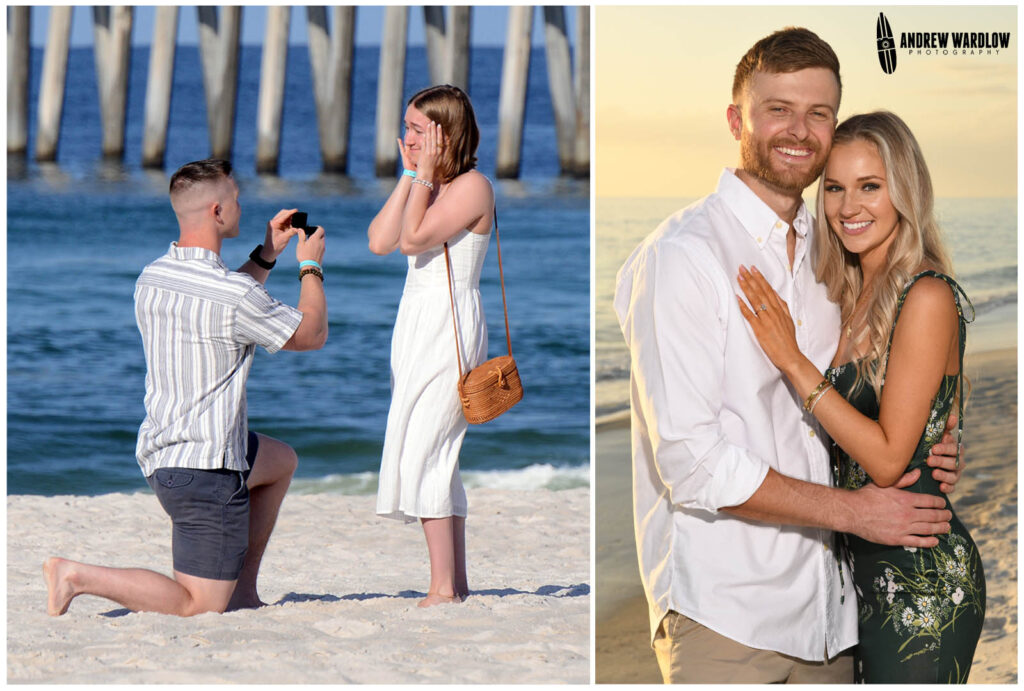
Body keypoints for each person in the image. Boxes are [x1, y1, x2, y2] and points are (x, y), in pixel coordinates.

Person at [613, 28, 966, 683]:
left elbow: (880, 390)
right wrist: (857, 511)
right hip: (729, 616)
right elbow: (692, 463)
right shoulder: (684, 257)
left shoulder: (832, 258)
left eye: (819, 113)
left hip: (836, 617)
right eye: (778, 109)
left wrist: (929, 440)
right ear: (735, 120)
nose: (799, 130)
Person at [736, 111, 985, 683]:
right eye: (835, 188)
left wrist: (794, 362)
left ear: (905, 190)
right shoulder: (849, 294)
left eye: (870, 186)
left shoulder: (924, 295)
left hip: (923, 578)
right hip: (859, 575)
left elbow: (888, 457)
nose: (849, 207)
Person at [43, 159, 328, 617]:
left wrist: (267, 254)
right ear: (218, 212)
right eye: (236, 199)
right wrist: (310, 266)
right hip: (206, 474)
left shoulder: (152, 277)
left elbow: (223, 304)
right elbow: (310, 335)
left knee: (279, 461)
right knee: (199, 604)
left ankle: (243, 590)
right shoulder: (233, 295)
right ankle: (77, 575)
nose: (241, 205)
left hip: (165, 455)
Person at [367, 85, 494, 607]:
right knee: (435, 452)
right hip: (416, 323)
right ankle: (454, 583)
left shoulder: (471, 187)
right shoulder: (428, 184)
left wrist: (422, 176)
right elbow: (380, 241)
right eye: (408, 127)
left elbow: (414, 240)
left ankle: (442, 587)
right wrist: (411, 174)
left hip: (450, 324)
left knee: (429, 449)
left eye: (419, 129)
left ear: (447, 133)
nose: (408, 137)